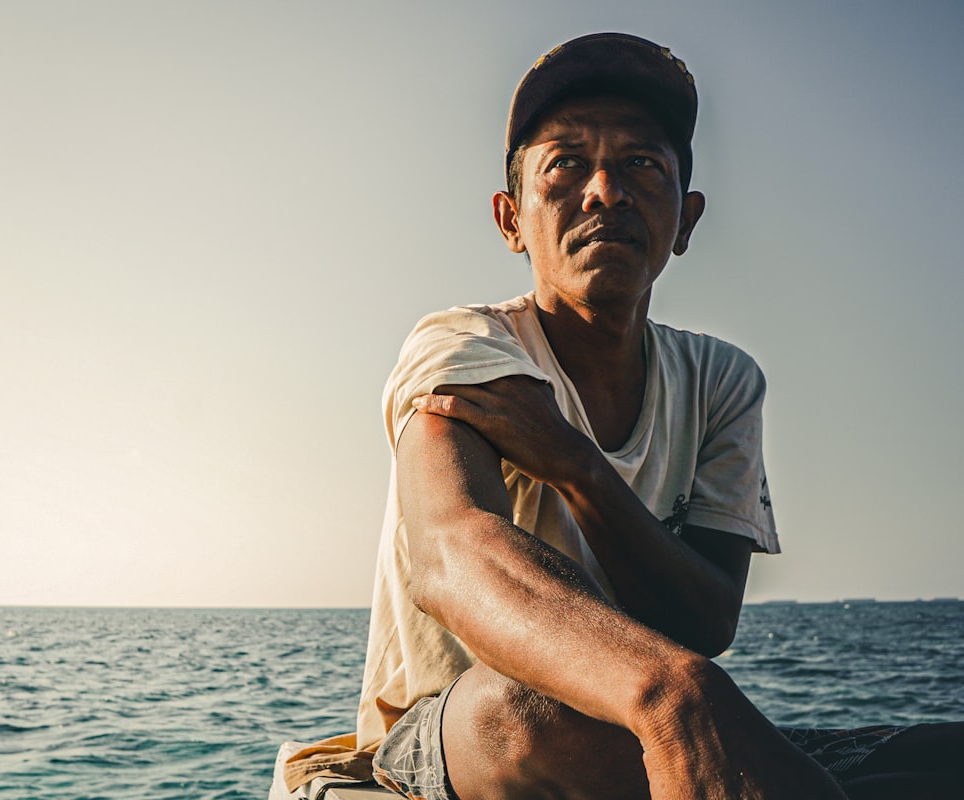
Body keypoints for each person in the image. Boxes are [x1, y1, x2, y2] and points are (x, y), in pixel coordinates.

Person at [342, 33, 963, 800]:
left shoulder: (722, 381)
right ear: (510, 219)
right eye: (565, 164)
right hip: (450, 724)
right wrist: (669, 691)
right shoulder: (465, 346)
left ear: (688, 218)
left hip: (639, 709)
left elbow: (706, 619)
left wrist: (579, 468)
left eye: (642, 164)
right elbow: (453, 555)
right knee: (520, 709)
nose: (605, 190)